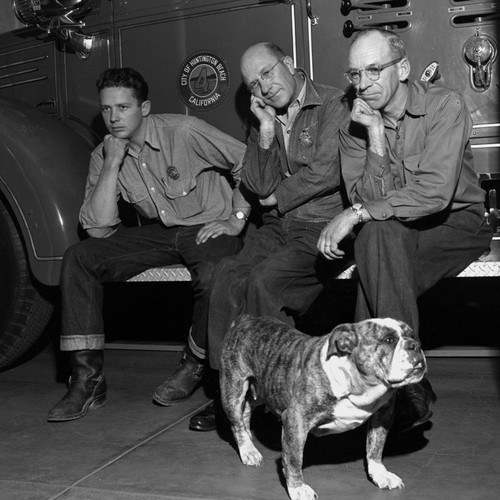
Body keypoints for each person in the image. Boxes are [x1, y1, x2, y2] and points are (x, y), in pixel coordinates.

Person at [47, 67, 250, 422]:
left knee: (215, 273)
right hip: (159, 233)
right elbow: (97, 229)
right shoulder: (103, 154)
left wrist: (235, 219)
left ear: (145, 108)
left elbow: (247, 161)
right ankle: (87, 379)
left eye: (123, 107)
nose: (113, 118)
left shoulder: (183, 131)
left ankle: (197, 363)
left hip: (208, 228)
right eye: (107, 109)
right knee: (79, 257)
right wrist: (112, 164)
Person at [317, 28, 493, 430]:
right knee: (379, 239)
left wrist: (357, 214)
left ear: (403, 68)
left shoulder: (445, 105)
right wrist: (376, 136)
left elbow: (433, 194)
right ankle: (410, 381)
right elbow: (367, 197)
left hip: (456, 222)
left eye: (374, 70)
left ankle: (366, 389)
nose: (363, 83)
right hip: (395, 232)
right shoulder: (354, 126)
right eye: (355, 73)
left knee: (374, 260)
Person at [187, 42, 351, 432]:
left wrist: (276, 196)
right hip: (279, 225)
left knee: (265, 283)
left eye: (266, 73)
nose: (262, 88)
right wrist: (263, 131)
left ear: (290, 64)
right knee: (227, 273)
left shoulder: (332, 104)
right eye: (252, 84)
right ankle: (229, 391)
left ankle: (288, 393)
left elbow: (328, 171)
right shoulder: (263, 115)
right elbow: (255, 182)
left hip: (320, 224)